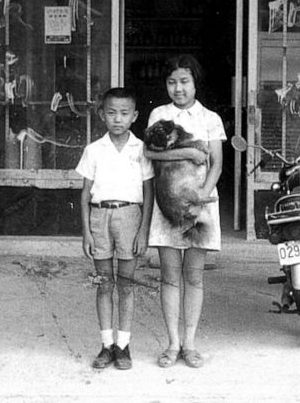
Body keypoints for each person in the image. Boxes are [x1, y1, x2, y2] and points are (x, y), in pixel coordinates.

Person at [144, 55, 226, 369]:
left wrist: (202, 196)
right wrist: (191, 152)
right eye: (172, 82)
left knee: (193, 278)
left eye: (184, 81)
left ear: (195, 83)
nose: (178, 89)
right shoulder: (158, 114)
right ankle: (172, 344)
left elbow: (215, 164)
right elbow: (151, 152)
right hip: (167, 205)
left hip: (200, 206)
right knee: (169, 277)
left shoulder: (210, 118)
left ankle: (190, 344)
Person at [76, 87, 154, 370]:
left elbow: (149, 193)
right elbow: (84, 195)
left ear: (134, 116)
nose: (117, 119)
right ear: (101, 115)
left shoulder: (141, 149)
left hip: (130, 216)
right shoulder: (94, 150)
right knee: (103, 283)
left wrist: (143, 231)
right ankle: (106, 344)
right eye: (111, 113)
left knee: (126, 284)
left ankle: (124, 345)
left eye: (124, 113)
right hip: (100, 217)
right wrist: (86, 232)